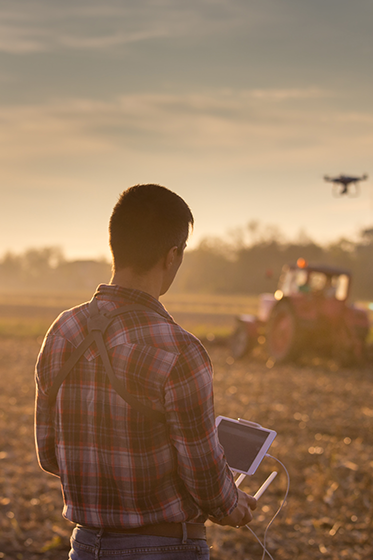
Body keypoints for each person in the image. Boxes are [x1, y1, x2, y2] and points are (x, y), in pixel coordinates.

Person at [34, 184, 257, 559]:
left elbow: (48, 454)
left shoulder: (63, 331)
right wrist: (231, 504)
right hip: (167, 548)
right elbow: (203, 474)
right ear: (172, 256)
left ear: (115, 245)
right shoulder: (179, 348)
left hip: (85, 546)